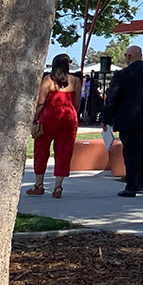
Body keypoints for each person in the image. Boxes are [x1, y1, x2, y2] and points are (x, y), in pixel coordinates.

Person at [102, 44, 143, 196]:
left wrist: (106, 118)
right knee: (141, 148)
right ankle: (142, 181)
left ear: (129, 57)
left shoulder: (122, 75)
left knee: (131, 151)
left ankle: (132, 185)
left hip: (129, 119)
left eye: (126, 56)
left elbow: (113, 98)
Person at [28, 53, 82, 199]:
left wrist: (35, 118)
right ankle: (58, 186)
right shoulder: (76, 81)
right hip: (69, 117)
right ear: (67, 65)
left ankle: (39, 185)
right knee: (64, 152)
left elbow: (40, 101)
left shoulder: (49, 80)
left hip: (50, 116)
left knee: (41, 149)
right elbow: (77, 104)